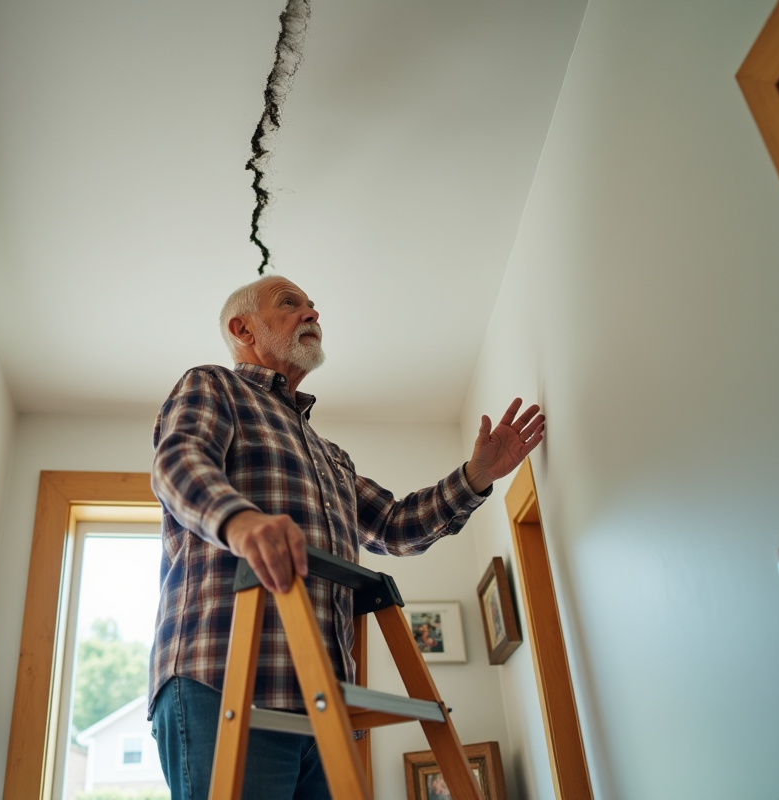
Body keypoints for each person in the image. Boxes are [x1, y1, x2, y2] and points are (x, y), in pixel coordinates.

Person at [148, 276, 544, 799]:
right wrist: (241, 523)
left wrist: (475, 477)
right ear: (242, 328)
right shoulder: (212, 385)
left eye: (314, 306)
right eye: (291, 304)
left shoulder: (329, 454)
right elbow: (178, 463)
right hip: (223, 677)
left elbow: (397, 527)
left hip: (327, 699)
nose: (311, 312)